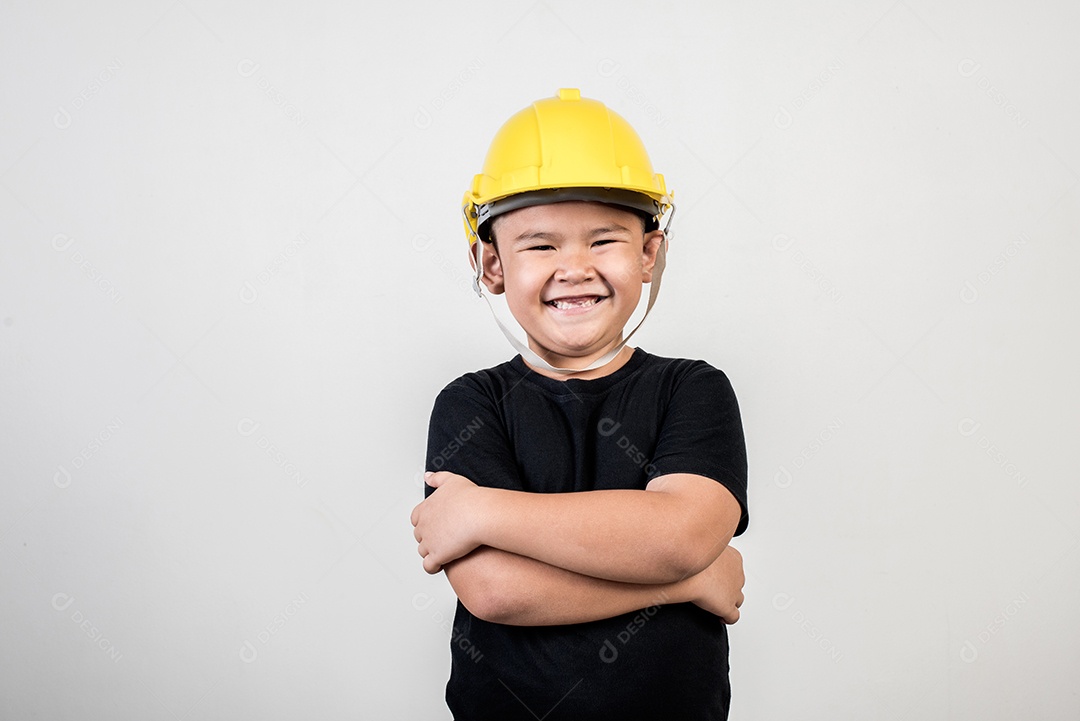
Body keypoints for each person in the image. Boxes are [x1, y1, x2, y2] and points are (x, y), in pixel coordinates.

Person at [411, 88, 749, 721]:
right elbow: (495, 590)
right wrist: (690, 582)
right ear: (492, 265)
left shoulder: (693, 390)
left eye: (604, 240)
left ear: (649, 254)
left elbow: (680, 536)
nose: (574, 268)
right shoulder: (471, 403)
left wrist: (483, 511)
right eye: (540, 246)